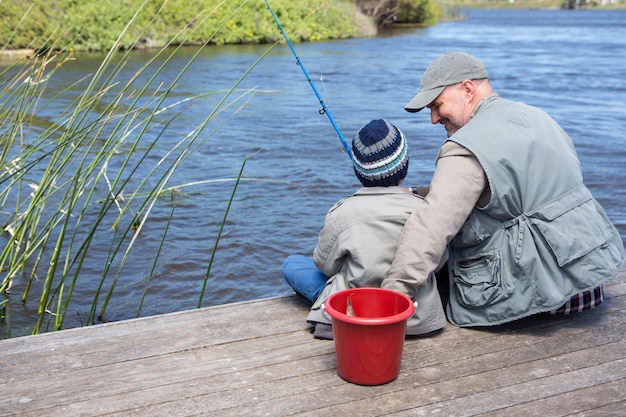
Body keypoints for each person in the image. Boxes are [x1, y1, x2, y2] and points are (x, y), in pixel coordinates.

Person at [381, 52, 625, 327]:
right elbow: (519, 189)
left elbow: (430, 230)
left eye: (437, 105)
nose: (434, 119)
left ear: (467, 89)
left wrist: (388, 300)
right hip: (588, 286)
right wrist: (419, 192)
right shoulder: (538, 117)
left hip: (539, 303)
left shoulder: (464, 147)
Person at [282, 119, 446, 339]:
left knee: (292, 264)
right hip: (417, 317)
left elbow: (325, 265)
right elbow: (439, 260)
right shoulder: (424, 209)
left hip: (357, 310)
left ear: (359, 170)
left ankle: (332, 310)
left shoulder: (342, 212)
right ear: (404, 166)